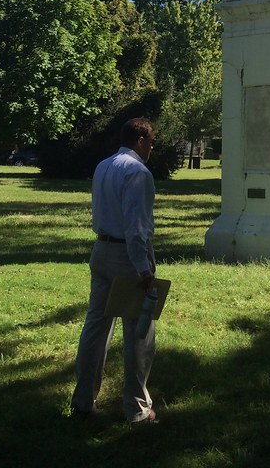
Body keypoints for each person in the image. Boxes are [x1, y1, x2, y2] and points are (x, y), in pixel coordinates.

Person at [71, 117, 158, 424]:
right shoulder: (138, 172)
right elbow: (136, 226)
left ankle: (83, 401)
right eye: (151, 142)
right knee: (139, 331)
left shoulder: (104, 166)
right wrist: (143, 268)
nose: (152, 148)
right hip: (126, 256)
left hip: (101, 250)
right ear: (140, 140)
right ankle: (138, 409)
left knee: (96, 328)